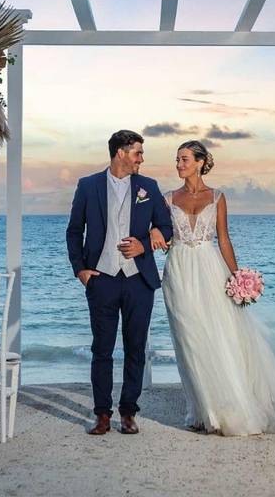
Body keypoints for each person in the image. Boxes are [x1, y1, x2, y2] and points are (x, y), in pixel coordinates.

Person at [150, 140, 275, 435]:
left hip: (211, 269)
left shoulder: (218, 197)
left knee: (218, 335)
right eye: (177, 160)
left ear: (199, 162)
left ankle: (225, 408)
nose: (178, 165)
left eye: (184, 159)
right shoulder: (167, 199)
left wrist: (237, 278)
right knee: (189, 337)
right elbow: (161, 232)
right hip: (178, 270)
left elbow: (224, 239)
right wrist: (153, 231)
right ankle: (204, 410)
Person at [66, 130, 173, 435]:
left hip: (139, 280)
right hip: (102, 279)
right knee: (102, 349)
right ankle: (102, 414)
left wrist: (144, 243)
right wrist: (81, 270)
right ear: (121, 153)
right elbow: (74, 231)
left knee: (136, 348)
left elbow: (166, 227)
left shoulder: (149, 187)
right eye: (138, 152)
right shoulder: (88, 186)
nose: (142, 158)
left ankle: (128, 412)